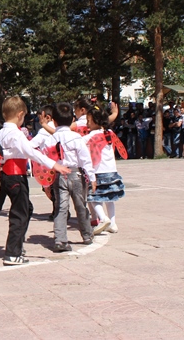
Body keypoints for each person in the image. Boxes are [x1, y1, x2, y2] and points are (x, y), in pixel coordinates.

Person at [0, 96, 71, 265]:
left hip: (7, 176)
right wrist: (53, 165)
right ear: (20, 114)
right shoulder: (16, 133)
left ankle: (16, 247)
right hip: (16, 175)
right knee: (20, 213)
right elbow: (31, 152)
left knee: (25, 209)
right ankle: (13, 253)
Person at [50, 103, 96, 253]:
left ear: (54, 121)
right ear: (72, 120)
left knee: (61, 207)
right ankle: (87, 235)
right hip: (76, 174)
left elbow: (45, 159)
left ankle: (60, 239)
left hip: (58, 175)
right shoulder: (76, 137)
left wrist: (45, 183)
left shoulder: (51, 138)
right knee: (80, 205)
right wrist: (92, 177)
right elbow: (85, 159)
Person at [84, 104, 125, 235]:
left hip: (98, 172)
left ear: (96, 121)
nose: (87, 124)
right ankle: (113, 223)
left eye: (88, 121)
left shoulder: (90, 136)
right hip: (112, 170)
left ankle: (103, 218)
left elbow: (79, 144)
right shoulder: (110, 133)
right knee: (110, 197)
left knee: (93, 197)